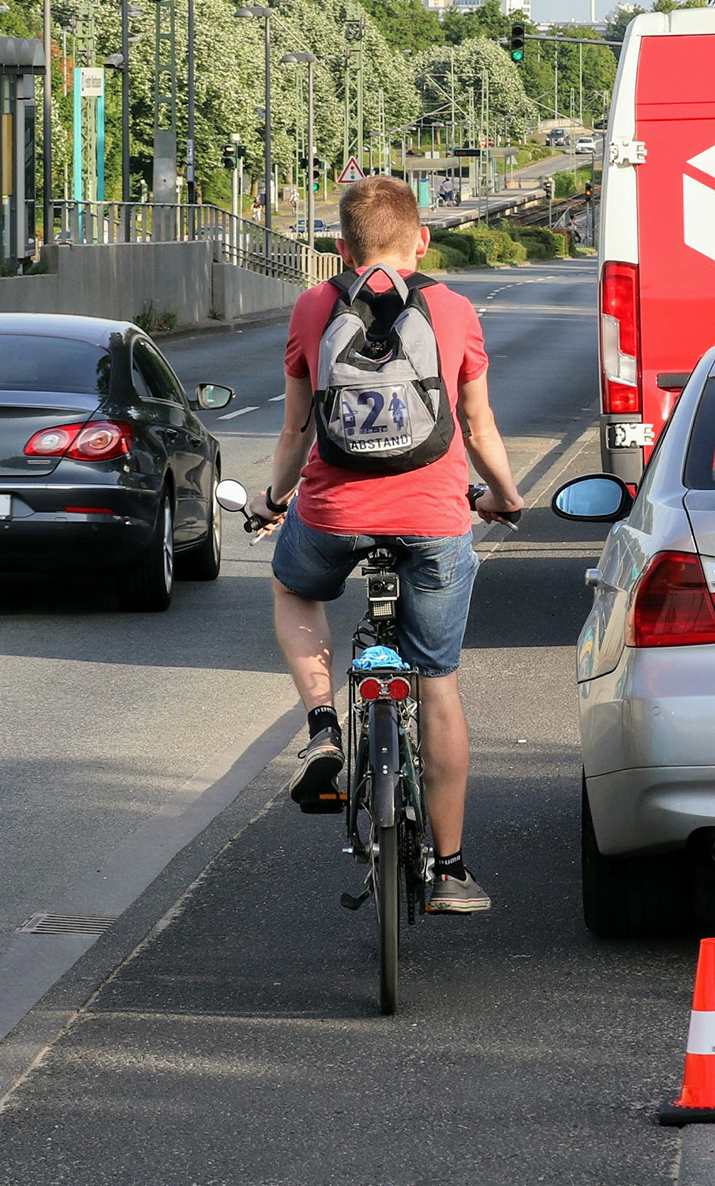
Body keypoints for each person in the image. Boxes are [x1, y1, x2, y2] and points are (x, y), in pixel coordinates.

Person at [249, 176, 525, 914]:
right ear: (423, 241)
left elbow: (295, 429)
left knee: (293, 587)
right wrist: (506, 495)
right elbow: (478, 423)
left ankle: (321, 727)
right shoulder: (457, 309)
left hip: (334, 512)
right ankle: (453, 869)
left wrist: (276, 498)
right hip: (434, 518)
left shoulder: (314, 306)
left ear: (340, 248)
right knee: (437, 682)